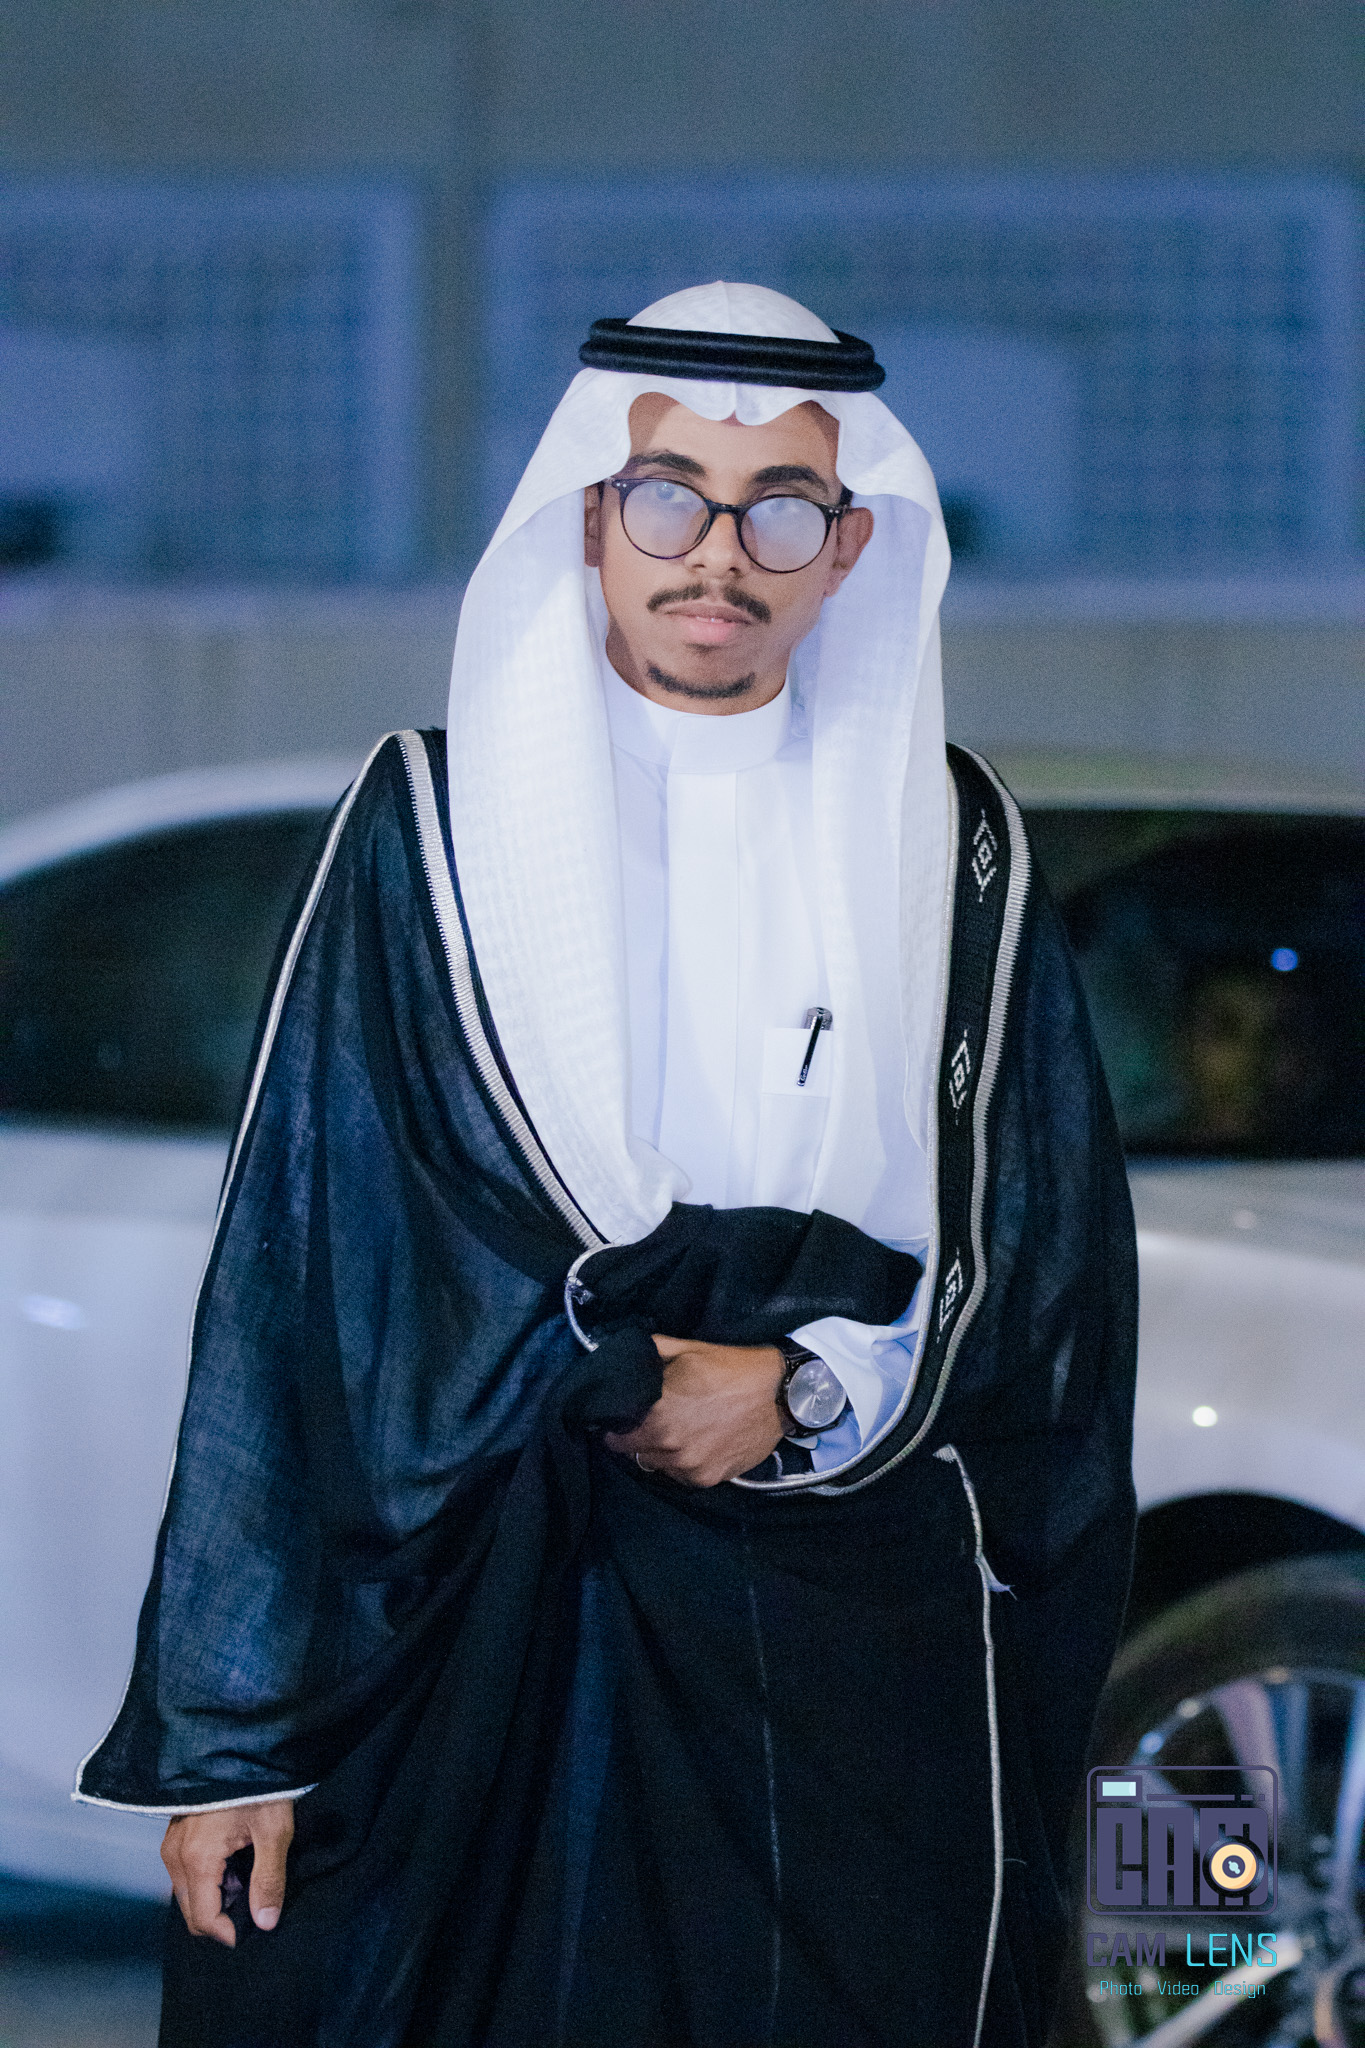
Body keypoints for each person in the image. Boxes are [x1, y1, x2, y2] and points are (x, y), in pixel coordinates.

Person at [76, 281, 1138, 2048]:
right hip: (495, 1592)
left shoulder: (956, 846)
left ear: (849, 547)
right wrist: (235, 1739)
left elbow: (1041, 1257)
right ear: (589, 521)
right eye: (667, 499)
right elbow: (306, 1281)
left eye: (777, 509)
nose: (716, 553)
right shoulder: (428, 826)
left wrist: (802, 1386)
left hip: (843, 1612)